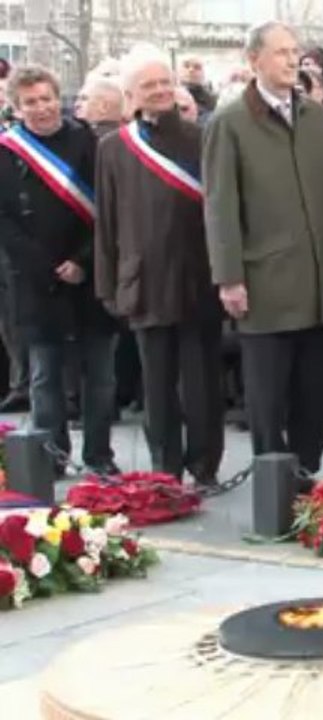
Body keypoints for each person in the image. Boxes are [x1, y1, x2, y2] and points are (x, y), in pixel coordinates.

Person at [203, 21, 323, 478]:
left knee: (313, 393)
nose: (293, 60)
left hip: (320, 282)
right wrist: (229, 277)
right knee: (267, 396)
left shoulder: (319, 119)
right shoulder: (229, 123)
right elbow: (220, 206)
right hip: (263, 283)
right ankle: (273, 481)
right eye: (282, 52)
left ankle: (306, 473)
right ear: (254, 61)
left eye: (295, 52)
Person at [95, 45, 223, 485]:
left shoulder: (201, 137)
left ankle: (205, 466)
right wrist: (108, 284)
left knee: (203, 384)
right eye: (148, 85)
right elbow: (106, 220)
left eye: (164, 82)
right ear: (131, 94)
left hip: (197, 278)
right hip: (144, 283)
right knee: (157, 387)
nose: (160, 91)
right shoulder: (113, 147)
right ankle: (164, 468)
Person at [0, 66, 118, 475]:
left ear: (59, 99)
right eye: (30, 102)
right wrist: (49, 268)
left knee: (99, 376)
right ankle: (51, 459)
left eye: (46, 98)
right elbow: (6, 225)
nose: (41, 108)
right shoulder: (6, 152)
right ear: (17, 108)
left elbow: (106, 208)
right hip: (36, 282)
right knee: (45, 377)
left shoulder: (87, 140)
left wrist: (83, 262)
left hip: (88, 276)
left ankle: (100, 456)